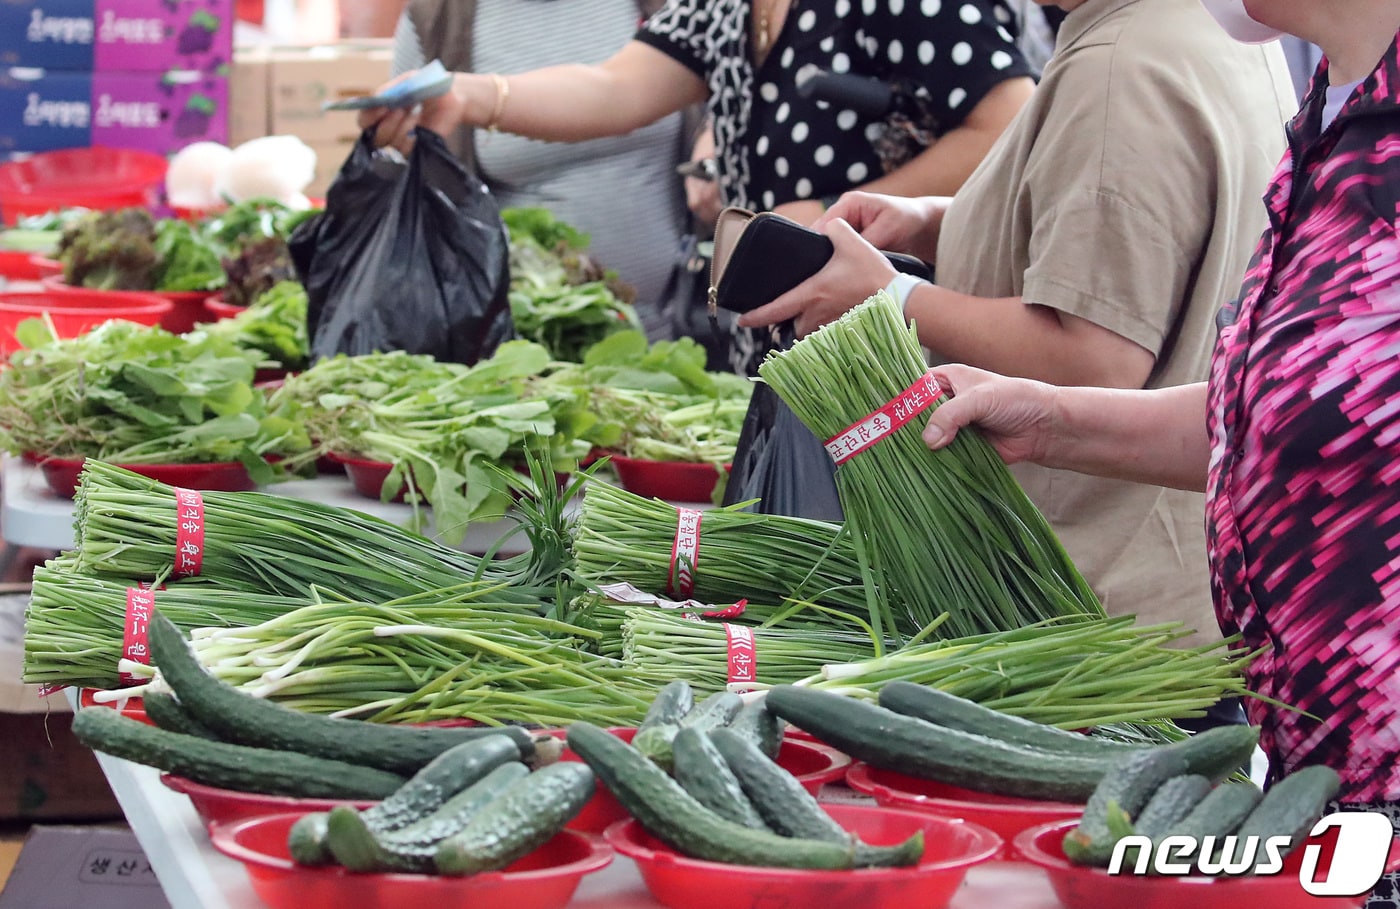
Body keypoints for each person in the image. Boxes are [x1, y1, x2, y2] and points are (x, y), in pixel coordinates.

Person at [846, 5, 1400, 903]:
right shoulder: (1336, 110)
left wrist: (896, 297)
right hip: (1317, 775)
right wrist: (1056, 419)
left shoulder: (1139, 59)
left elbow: (1106, 344)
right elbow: (1269, 410)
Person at [737, 0, 1296, 655]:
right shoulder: (1207, 24)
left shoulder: (1121, 69)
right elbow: (1125, 233)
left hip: (1092, 611)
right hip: (1177, 590)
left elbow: (1096, 358)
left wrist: (893, 293)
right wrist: (936, 218)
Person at [361, 0, 1038, 372]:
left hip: (895, 355)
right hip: (781, 355)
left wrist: (838, 215)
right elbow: (616, 87)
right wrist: (472, 95)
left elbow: (1007, 125)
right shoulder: (729, 6)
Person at [388, 0, 693, 339]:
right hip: (524, 340)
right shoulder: (441, 16)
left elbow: (623, 90)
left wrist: (711, 142)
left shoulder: (674, 9)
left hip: (671, 327)